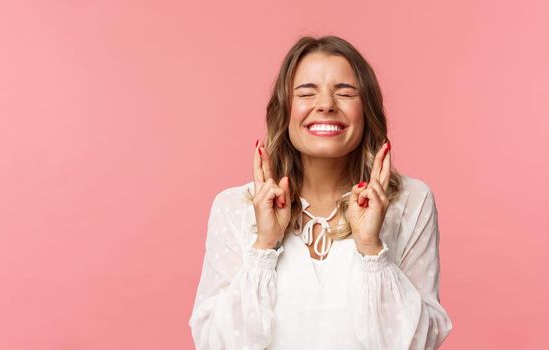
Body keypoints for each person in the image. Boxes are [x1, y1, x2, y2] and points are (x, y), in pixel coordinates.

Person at [189, 35, 452, 349]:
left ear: (366, 109)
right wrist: (264, 245)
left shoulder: (411, 201)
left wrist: (370, 248)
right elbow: (213, 343)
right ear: (285, 109)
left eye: (345, 92)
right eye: (306, 92)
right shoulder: (234, 207)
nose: (326, 104)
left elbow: (421, 344)